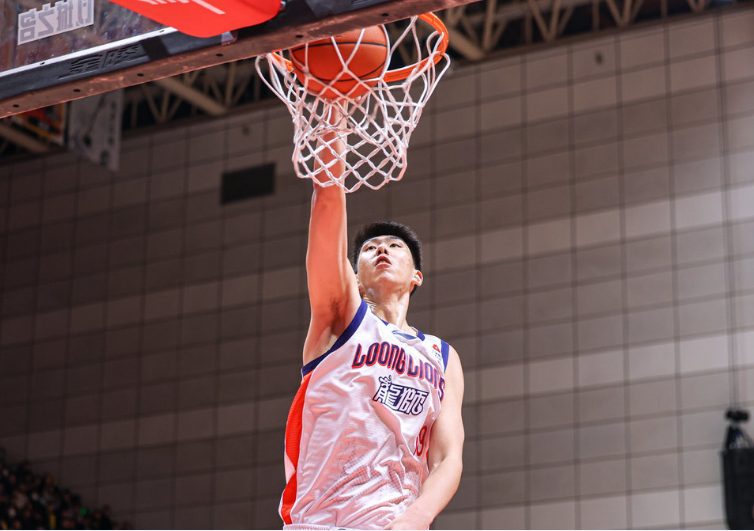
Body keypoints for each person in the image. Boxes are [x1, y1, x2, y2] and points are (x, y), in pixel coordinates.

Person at [278, 107, 464, 530]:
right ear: (355, 277)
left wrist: (413, 520)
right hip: (321, 521)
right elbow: (328, 201)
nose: (382, 248)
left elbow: (448, 457)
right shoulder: (342, 318)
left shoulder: (442, 356)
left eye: (395, 246)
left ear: (416, 277)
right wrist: (335, 112)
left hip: (395, 521)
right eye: (369, 248)